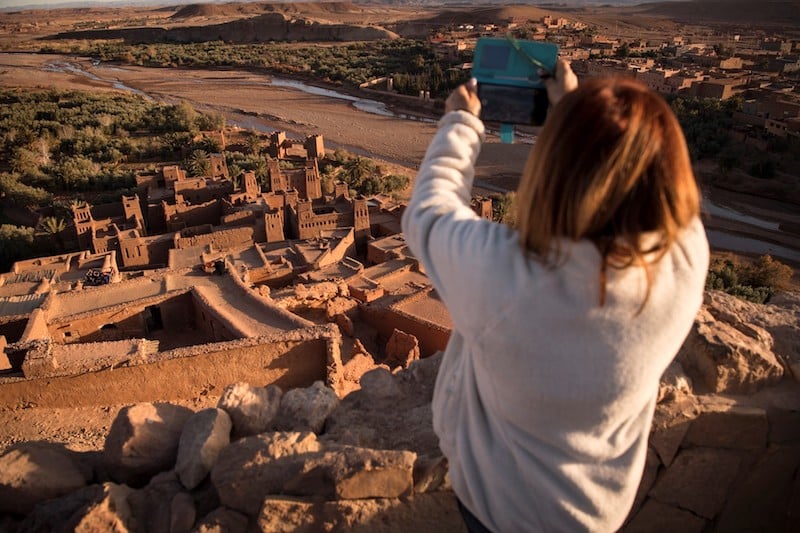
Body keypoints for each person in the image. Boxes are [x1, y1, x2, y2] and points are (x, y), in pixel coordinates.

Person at [400, 61, 709, 532]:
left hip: (501, 512)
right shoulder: (684, 263)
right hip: (599, 512)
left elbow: (428, 213)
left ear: (550, 173)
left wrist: (461, 121)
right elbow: (651, 186)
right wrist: (576, 110)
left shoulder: (509, 277)